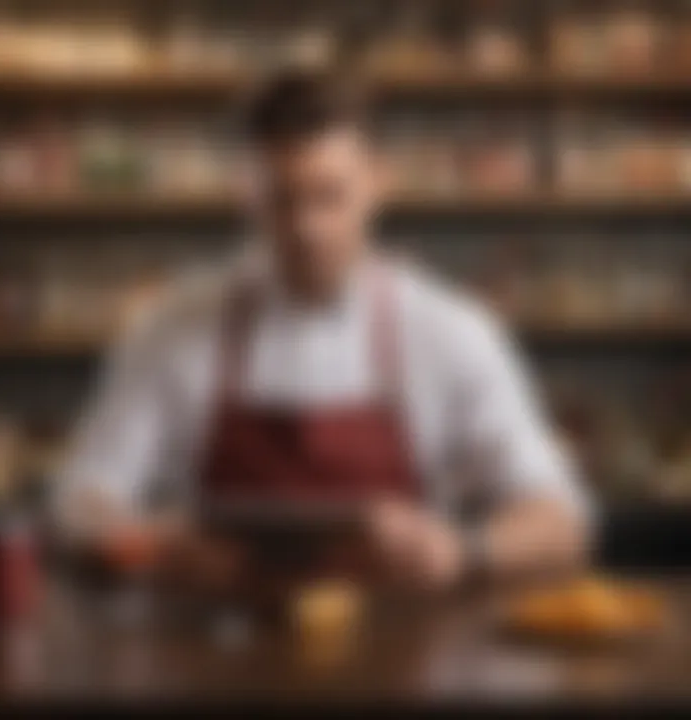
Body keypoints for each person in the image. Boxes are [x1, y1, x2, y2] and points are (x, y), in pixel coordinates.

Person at [55, 69, 592, 592]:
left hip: (404, 659)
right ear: (247, 193)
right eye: (282, 200)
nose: (306, 228)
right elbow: (80, 504)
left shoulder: (451, 332)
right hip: (214, 653)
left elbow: (562, 523)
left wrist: (463, 551)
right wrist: (151, 546)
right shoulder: (171, 328)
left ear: (379, 182)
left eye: (329, 196)